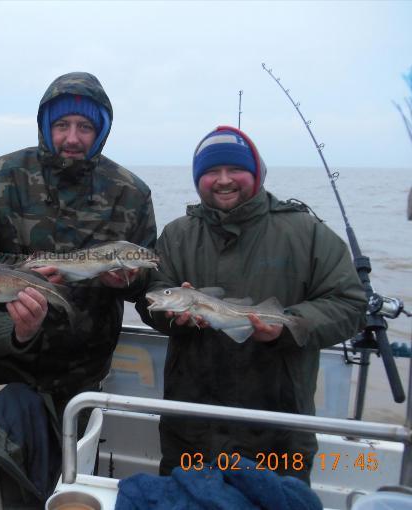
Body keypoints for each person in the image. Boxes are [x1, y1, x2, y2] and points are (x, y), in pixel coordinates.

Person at [137, 126, 367, 483]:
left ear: (256, 173)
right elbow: (152, 292)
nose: (223, 180)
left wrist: (292, 323)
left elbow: (351, 304)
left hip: (278, 430)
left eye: (235, 170)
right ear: (198, 178)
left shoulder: (306, 233)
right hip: (192, 427)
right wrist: (170, 315)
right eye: (211, 171)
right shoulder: (177, 235)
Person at [0, 71, 157, 418]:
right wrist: (26, 268)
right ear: (45, 125)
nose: (73, 138)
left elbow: (148, 280)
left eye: (85, 127)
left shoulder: (131, 192)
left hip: (80, 379)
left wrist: (128, 279)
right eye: (62, 124)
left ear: (101, 131)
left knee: (68, 471)